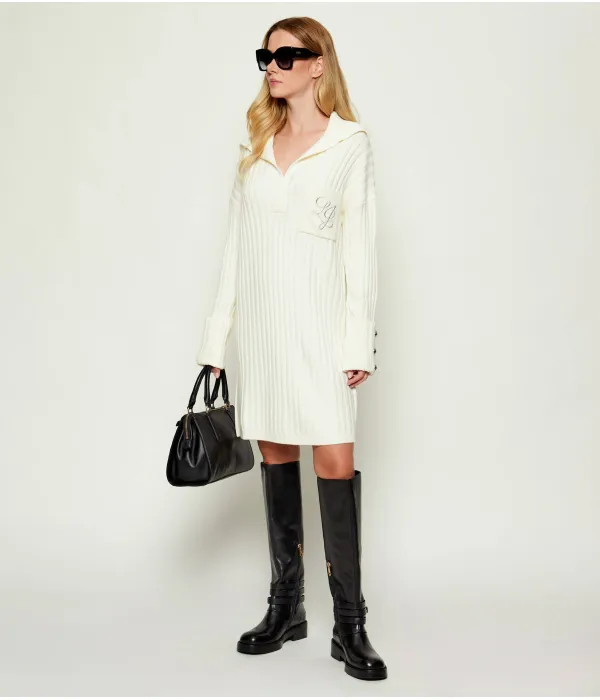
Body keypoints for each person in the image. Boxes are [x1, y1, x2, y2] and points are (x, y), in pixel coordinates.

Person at [196, 16, 386, 681]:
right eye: (266, 56)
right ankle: (287, 607)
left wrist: (358, 341)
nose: (272, 67)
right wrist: (216, 340)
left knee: (333, 458)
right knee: (277, 456)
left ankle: (350, 625)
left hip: (323, 331)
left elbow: (361, 250)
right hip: (265, 333)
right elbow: (235, 251)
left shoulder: (349, 145)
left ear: (317, 64)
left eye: (286, 56)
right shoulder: (255, 146)